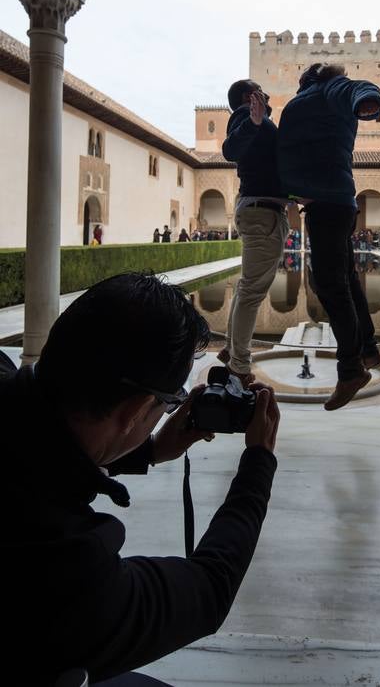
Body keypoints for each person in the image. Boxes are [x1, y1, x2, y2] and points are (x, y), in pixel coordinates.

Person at [0, 273, 279, 686]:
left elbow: (39, 448)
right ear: (134, 410)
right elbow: (209, 589)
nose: (169, 409)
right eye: (168, 402)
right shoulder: (65, 568)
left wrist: (148, 449)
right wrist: (258, 461)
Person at [278, 62, 380, 411]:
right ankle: (367, 350)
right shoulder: (322, 97)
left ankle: (351, 368)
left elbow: (357, 87)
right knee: (347, 281)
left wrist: (368, 99)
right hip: (337, 201)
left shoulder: (327, 90)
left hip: (326, 202)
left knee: (327, 284)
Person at [219, 79, 289, 386]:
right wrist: (253, 121)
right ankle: (239, 366)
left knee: (246, 289)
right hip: (262, 213)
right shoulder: (247, 115)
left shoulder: (257, 118)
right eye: (259, 89)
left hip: (260, 209)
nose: (267, 93)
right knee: (251, 292)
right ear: (249, 96)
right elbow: (230, 150)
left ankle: (230, 349)